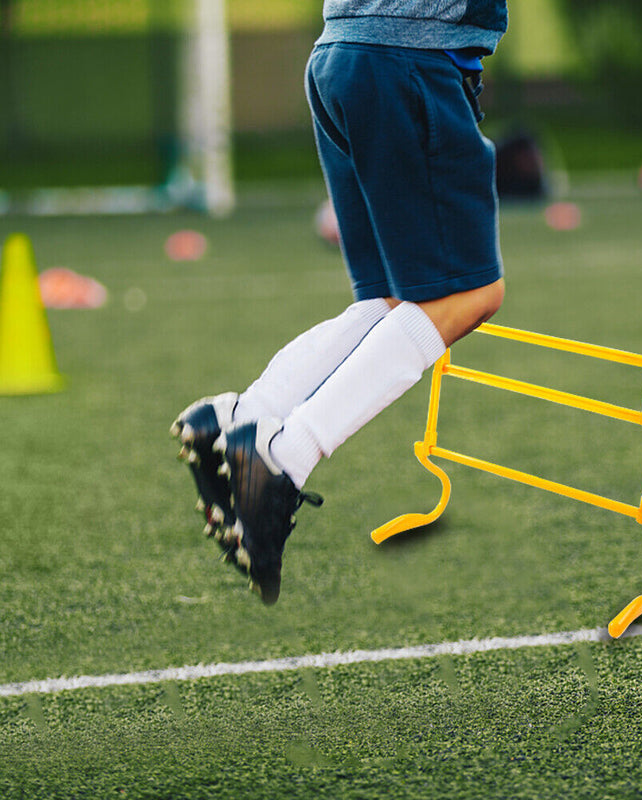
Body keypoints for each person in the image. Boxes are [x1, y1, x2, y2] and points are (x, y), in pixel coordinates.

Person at [171, 1, 509, 604]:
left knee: (394, 300)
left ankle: (242, 417)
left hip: (340, 54)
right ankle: (283, 458)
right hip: (411, 57)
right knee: (474, 293)